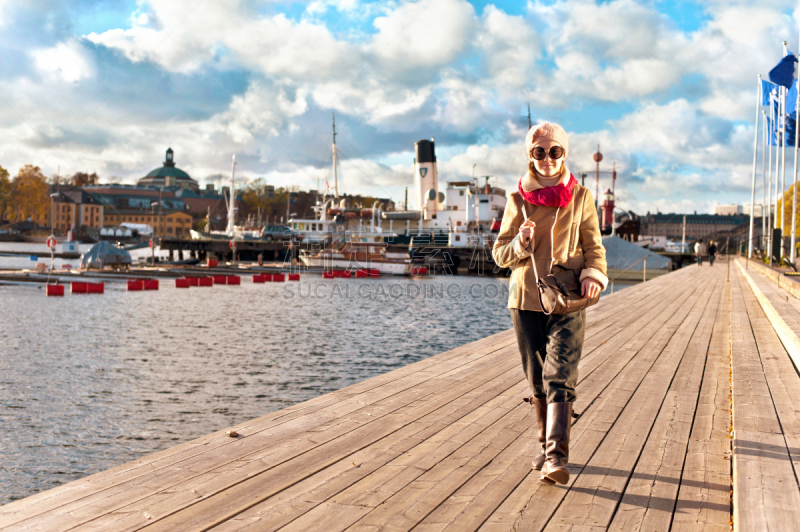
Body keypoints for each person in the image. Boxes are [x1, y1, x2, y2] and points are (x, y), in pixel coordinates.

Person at [492, 122, 607, 485]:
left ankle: (557, 456)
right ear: (530, 155)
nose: (546, 159)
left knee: (561, 374)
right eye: (538, 152)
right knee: (537, 377)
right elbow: (499, 256)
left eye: (554, 151)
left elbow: (595, 248)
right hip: (526, 299)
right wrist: (521, 244)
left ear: (564, 153)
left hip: (568, 298)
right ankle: (544, 445)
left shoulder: (582, 197)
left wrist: (592, 274)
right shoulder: (516, 201)